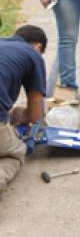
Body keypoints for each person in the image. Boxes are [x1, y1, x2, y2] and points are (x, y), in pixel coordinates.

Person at [0, 25, 46, 194]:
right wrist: (21, 113)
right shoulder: (34, 55)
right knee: (15, 153)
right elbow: (35, 115)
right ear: (38, 47)